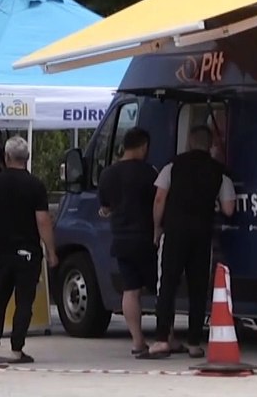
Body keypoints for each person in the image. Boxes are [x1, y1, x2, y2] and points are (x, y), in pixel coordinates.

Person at [144, 125, 236, 359]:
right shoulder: (220, 172)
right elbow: (228, 209)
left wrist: (157, 228)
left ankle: (162, 339)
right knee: (198, 287)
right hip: (202, 235)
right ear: (210, 145)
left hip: (174, 233)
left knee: (167, 284)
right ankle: (194, 342)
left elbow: (159, 199)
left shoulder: (172, 166)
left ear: (189, 142)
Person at [0, 136, 56, 364]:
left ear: (6, 157)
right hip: (28, 253)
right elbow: (43, 221)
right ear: (27, 157)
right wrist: (51, 251)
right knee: (24, 302)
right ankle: (17, 348)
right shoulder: (36, 185)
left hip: (1, 251)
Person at [97, 127, 158, 356]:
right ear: (143, 147)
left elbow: (105, 208)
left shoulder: (107, 174)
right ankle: (167, 337)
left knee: (130, 291)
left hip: (121, 239)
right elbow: (158, 201)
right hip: (146, 238)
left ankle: (137, 341)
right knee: (161, 289)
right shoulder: (149, 173)